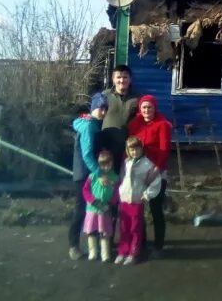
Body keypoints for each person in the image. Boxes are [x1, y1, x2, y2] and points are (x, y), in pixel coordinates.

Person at [128, 94, 172, 259]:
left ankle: (159, 245)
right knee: (138, 209)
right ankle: (141, 243)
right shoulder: (134, 124)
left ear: (155, 108)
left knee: (155, 208)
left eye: (150, 107)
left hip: (156, 171)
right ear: (140, 109)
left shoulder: (163, 125)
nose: (146, 110)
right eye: (144, 107)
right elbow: (130, 145)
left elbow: (164, 149)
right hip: (138, 170)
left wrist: (157, 170)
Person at [68, 92, 108, 261]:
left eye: (105, 109)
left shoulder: (89, 123)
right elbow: (87, 154)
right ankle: (73, 246)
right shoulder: (88, 126)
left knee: (92, 209)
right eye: (101, 108)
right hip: (85, 174)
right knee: (81, 210)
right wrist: (98, 173)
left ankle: (95, 245)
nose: (103, 112)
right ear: (93, 108)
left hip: (86, 173)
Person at [115, 136, 161, 265]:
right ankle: (122, 251)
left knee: (135, 228)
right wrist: (119, 190)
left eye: (137, 149)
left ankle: (133, 253)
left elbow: (156, 181)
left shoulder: (147, 164)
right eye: (132, 150)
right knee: (124, 227)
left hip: (137, 200)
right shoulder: (126, 163)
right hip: (124, 199)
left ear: (141, 149)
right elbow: (121, 177)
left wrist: (147, 195)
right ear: (128, 151)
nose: (134, 152)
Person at [82, 149, 120, 263]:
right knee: (91, 231)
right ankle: (92, 252)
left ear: (112, 163)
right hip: (92, 208)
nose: (105, 167)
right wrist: (92, 200)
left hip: (105, 209)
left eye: (108, 164)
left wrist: (111, 203)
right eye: (102, 164)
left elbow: (117, 192)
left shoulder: (115, 177)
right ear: (99, 164)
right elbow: (85, 190)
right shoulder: (93, 176)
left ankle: (105, 254)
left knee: (105, 232)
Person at [101, 65, 140, 173]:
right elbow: (95, 117)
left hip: (127, 147)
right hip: (106, 144)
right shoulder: (104, 96)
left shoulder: (137, 98)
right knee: (106, 177)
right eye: (118, 77)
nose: (122, 80)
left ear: (130, 79)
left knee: (123, 178)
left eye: (125, 77)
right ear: (113, 79)